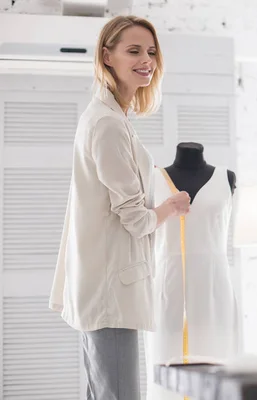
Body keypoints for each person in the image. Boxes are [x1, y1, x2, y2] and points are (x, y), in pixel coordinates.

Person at [49, 15, 190, 400]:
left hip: (101, 287)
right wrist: (172, 207)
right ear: (107, 56)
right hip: (110, 291)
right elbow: (135, 219)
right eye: (134, 51)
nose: (147, 59)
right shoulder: (107, 124)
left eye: (151, 51)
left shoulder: (110, 118)